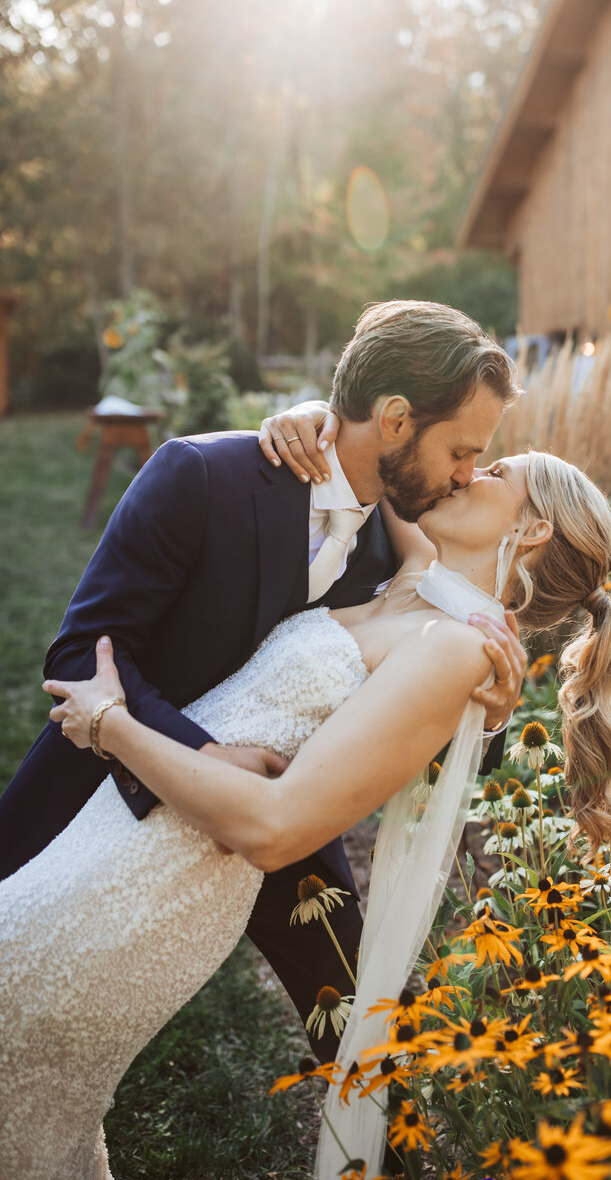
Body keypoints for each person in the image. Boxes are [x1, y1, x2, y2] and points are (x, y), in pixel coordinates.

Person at [0, 449, 611, 1180]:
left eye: (493, 473)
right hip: (114, 835)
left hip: (158, 876)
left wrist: (109, 722)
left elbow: (273, 829)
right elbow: (395, 444)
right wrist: (314, 421)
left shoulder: (459, 645)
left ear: (531, 533)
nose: (466, 471)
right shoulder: (419, 583)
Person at [0, 300, 526, 1067]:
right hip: (104, 791)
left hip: (286, 819)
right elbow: (82, 653)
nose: (467, 474)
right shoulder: (201, 477)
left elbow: (421, 733)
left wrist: (498, 715)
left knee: (369, 1040)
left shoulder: (404, 546)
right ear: (395, 419)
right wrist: (205, 755)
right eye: (462, 450)